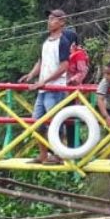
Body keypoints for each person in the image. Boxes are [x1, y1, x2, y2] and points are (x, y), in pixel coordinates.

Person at [19, 10, 69, 164]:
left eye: (53, 19)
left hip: (56, 89)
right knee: (36, 122)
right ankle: (43, 155)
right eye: (49, 19)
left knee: (55, 122)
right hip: (43, 89)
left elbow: (64, 66)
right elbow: (40, 62)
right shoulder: (46, 41)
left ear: (62, 22)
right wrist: (31, 75)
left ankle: (58, 155)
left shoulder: (63, 41)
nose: (49, 21)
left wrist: (45, 81)